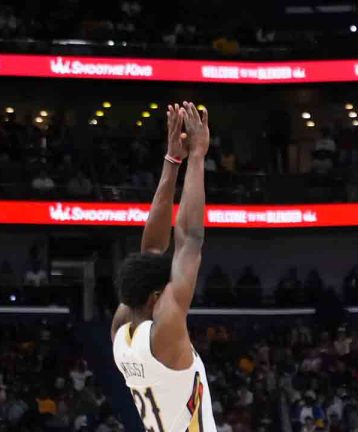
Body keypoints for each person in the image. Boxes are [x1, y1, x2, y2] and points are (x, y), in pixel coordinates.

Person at [111, 102, 215, 431]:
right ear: (157, 297)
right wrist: (197, 156)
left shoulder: (121, 331)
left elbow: (153, 249)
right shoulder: (165, 333)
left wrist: (173, 161)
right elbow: (190, 239)